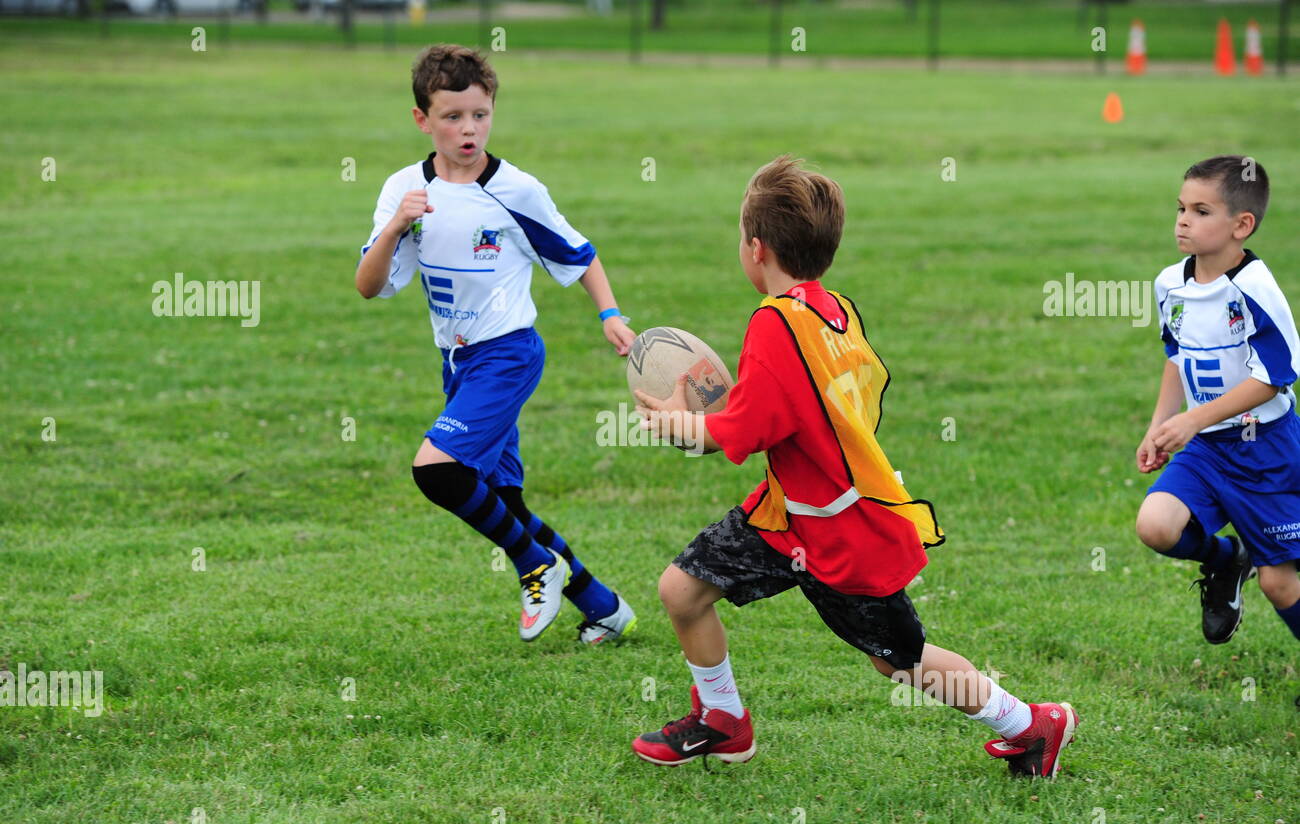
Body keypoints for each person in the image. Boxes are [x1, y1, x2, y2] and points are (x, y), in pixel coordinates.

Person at [632, 156, 1078, 777]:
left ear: (755, 248)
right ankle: (722, 719)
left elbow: (744, 433)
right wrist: (715, 415)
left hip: (841, 532)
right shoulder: (834, 311)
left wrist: (679, 425)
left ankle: (1033, 724)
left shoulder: (774, 323)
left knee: (902, 663)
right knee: (682, 589)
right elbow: (790, 407)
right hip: (788, 514)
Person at [355, 44, 637, 644]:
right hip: (457, 362)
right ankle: (605, 607)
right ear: (422, 119)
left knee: (437, 470)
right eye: (453, 116)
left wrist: (609, 313)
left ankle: (536, 567)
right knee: (504, 500)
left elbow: (579, 255)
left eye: (480, 115)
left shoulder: (516, 190)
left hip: (508, 354)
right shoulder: (404, 189)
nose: (468, 129)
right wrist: (395, 227)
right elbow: (368, 285)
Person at [1136, 155, 1300, 646]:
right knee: (1156, 526)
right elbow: (1176, 356)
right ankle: (1227, 559)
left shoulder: (1254, 289)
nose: (1184, 220)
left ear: (1241, 225)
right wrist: (1160, 424)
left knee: (1279, 582)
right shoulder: (1171, 283)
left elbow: (1274, 377)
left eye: (1202, 211)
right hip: (1208, 449)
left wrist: (1193, 419)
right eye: (1181, 207)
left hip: (1265, 449)